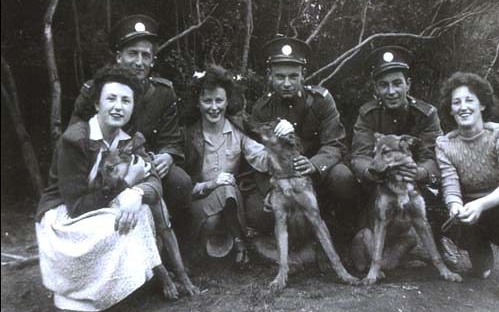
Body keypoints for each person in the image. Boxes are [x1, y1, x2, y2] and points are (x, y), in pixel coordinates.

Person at [36, 66, 166, 312]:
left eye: (126, 100)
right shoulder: (76, 140)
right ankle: (84, 291)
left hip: (100, 205)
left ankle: (122, 287)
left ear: (132, 107)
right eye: (111, 99)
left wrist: (137, 193)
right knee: (116, 223)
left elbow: (155, 182)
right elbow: (76, 207)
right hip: (64, 218)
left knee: (141, 212)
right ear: (97, 104)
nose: (118, 106)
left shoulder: (129, 140)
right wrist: (126, 185)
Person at [69, 15, 193, 255]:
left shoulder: (163, 92)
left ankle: (175, 254)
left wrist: (168, 155)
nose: (139, 62)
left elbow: (171, 138)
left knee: (181, 182)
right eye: (132, 54)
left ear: (153, 60)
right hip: (104, 169)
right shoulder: (95, 91)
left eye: (145, 55)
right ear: (118, 57)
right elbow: (75, 139)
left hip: (148, 167)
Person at [350, 46, 458, 268]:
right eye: (384, 85)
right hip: (380, 181)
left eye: (397, 83)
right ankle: (360, 243)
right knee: (351, 185)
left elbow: (435, 155)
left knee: (443, 182)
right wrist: (373, 171)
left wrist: (421, 172)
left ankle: (440, 240)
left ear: (408, 85)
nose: (391, 91)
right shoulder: (368, 114)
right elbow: (359, 156)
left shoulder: (426, 114)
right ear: (376, 89)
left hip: (416, 181)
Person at [435, 71, 499, 304]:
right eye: (456, 102)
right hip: (471, 208)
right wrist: (455, 207)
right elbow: (450, 186)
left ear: (482, 104)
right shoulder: (444, 144)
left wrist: (481, 204)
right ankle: (481, 255)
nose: (463, 107)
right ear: (450, 110)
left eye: (469, 100)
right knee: (442, 213)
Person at [183, 64, 293, 266]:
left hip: (233, 205)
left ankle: (239, 245)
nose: (214, 107)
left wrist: (281, 148)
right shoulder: (189, 135)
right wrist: (210, 185)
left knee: (229, 190)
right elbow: (184, 185)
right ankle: (238, 244)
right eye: (207, 101)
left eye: (219, 100)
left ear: (227, 102)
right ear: (198, 103)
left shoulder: (237, 129)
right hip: (200, 202)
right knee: (221, 198)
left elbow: (260, 157)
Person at [251, 36, 360, 236]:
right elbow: (258, 153)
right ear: (269, 76)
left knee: (343, 178)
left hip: (318, 177)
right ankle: (298, 234)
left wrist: (315, 164)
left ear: (303, 75)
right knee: (257, 212)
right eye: (279, 77)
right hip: (281, 179)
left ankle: (344, 230)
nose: (286, 83)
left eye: (293, 76)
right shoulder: (262, 109)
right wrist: (269, 189)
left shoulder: (321, 101)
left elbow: (335, 144)